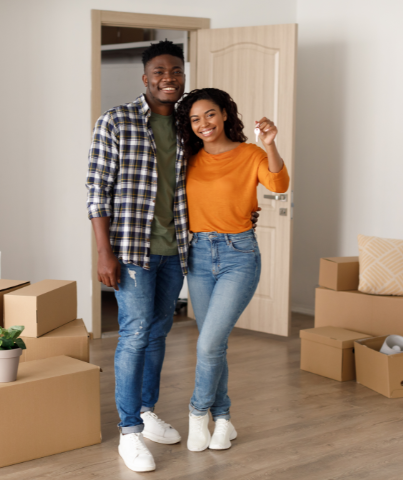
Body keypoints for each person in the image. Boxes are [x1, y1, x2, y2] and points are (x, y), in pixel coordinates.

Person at [85, 40, 187, 473]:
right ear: (145, 78)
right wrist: (103, 253)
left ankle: (147, 411)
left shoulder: (189, 124)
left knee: (160, 332)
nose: (169, 78)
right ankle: (129, 432)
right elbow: (96, 191)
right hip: (131, 251)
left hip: (178, 248)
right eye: (160, 72)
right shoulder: (117, 121)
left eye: (177, 71)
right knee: (135, 334)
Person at [174, 88, 290, 452]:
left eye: (209, 114)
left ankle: (197, 415)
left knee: (208, 343)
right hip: (198, 255)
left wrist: (270, 144)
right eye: (195, 119)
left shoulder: (250, 153)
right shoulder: (188, 159)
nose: (203, 124)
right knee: (214, 344)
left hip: (238, 254)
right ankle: (222, 419)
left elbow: (279, 185)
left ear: (224, 114)